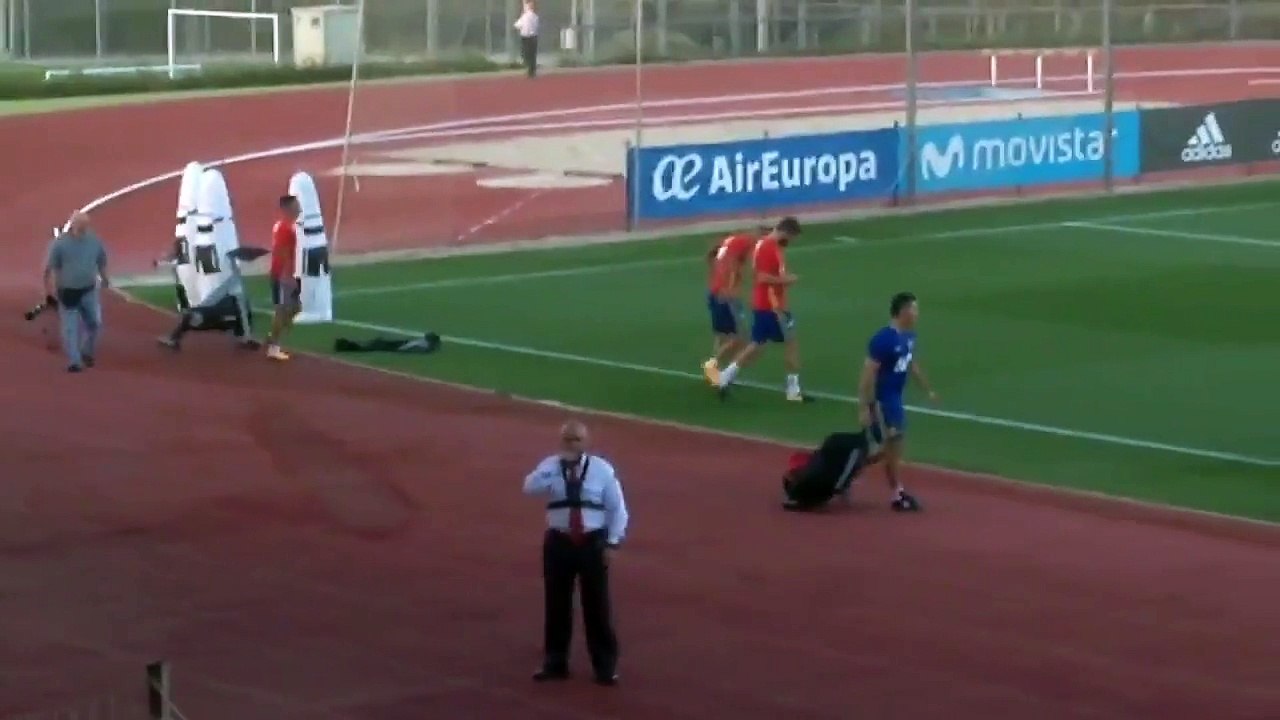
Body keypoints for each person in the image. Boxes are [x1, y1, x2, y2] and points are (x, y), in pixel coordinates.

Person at [523, 419, 628, 686]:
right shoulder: (549, 466)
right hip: (559, 542)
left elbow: (618, 509)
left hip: (592, 543)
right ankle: (555, 662)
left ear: (586, 442)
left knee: (597, 605)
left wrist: (613, 543)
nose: (571, 444)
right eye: (567, 439)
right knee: (556, 604)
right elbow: (529, 488)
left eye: (576, 440)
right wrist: (553, 470)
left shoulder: (602, 470)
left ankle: (605, 666)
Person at [714, 216, 812, 402]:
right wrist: (787, 280)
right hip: (773, 306)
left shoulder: (765, 246)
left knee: (757, 345)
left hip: (764, 304)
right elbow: (762, 277)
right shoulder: (768, 247)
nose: (790, 242)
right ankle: (793, 390)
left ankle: (725, 377)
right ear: (786, 232)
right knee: (790, 344)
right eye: (791, 238)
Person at [857, 292, 939, 509]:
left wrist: (927, 389)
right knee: (893, 448)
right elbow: (868, 375)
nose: (917, 313)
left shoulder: (909, 337)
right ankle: (897, 494)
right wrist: (865, 407)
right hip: (884, 402)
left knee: (889, 450)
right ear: (903, 311)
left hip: (895, 401)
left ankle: (853, 469)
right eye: (914, 308)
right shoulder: (883, 339)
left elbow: (912, 365)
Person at [781, 426, 922, 512]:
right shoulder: (858, 449)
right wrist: (838, 490)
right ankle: (804, 497)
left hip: (807, 481)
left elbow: (856, 463)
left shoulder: (845, 440)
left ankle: (802, 494)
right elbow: (846, 475)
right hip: (811, 487)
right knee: (824, 490)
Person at [157, 247, 267, 352]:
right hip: (221, 314)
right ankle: (243, 336)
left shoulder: (229, 284)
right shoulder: (233, 286)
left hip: (217, 313)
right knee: (236, 312)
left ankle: (173, 338)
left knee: (194, 317)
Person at [43, 211, 110, 373]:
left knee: (94, 323)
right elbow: (49, 268)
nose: (82, 228)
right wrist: (49, 290)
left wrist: (105, 278)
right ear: (72, 225)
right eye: (80, 225)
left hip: (88, 290)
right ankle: (75, 360)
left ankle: (86, 351)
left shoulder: (94, 241)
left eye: (85, 225)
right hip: (67, 291)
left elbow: (101, 261)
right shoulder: (59, 244)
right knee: (70, 328)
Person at [701, 227, 764, 386]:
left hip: (714, 293)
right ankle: (712, 364)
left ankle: (718, 373)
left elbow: (714, 258)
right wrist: (729, 287)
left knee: (723, 336)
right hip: (726, 296)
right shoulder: (748, 243)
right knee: (740, 338)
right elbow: (733, 266)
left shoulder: (729, 243)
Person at [263, 194, 302, 362]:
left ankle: (272, 336)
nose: (299, 207)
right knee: (282, 310)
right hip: (283, 275)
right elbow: (282, 251)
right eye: (296, 205)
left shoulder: (286, 226)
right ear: (288, 208)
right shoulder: (285, 228)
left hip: (286, 273)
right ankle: (273, 347)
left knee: (295, 307)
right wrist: (287, 275)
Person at [514, 0, 540, 78]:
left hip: (528, 37)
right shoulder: (534, 16)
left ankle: (531, 70)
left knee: (528, 54)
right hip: (531, 37)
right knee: (531, 55)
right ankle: (532, 70)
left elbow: (518, 26)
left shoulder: (527, 16)